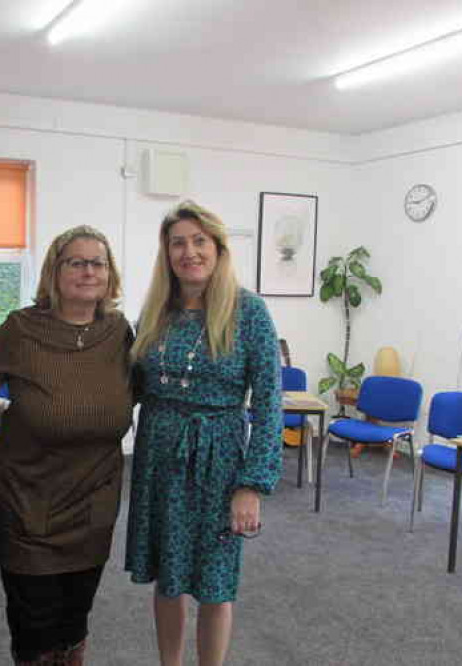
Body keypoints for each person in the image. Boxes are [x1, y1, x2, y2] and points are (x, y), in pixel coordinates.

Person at [125, 200, 283, 666]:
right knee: (167, 578)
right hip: (158, 457)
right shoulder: (156, 311)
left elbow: (271, 403)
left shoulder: (249, 311)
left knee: (215, 583)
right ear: (167, 253)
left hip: (219, 463)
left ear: (217, 248)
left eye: (199, 241)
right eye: (178, 243)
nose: (189, 252)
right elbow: (128, 386)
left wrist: (252, 486)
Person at [0, 225, 134, 665]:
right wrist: (11, 414)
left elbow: (132, 396)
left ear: (109, 274)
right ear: (55, 270)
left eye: (98, 263)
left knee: (74, 620)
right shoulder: (21, 328)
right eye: (76, 262)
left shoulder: (120, 333)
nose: (88, 271)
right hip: (28, 501)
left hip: (94, 505)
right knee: (34, 628)